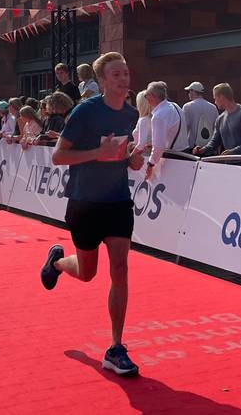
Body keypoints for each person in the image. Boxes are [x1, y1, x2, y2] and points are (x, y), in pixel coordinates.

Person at [40, 52, 144, 376]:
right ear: (102, 80)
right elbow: (58, 157)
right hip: (84, 202)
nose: (123, 79)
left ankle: (116, 347)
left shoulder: (131, 113)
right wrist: (96, 153)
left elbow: (123, 154)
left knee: (121, 268)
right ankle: (57, 261)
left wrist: (132, 160)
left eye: (126, 73)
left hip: (117, 201)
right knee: (87, 273)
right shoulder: (85, 111)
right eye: (116, 74)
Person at [194, 84, 241, 157]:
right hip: (229, 164)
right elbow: (215, 142)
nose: (215, 102)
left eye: (215, 98)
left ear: (221, 97)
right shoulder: (220, 119)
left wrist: (234, 152)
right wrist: (203, 150)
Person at [143, 81, 188, 182]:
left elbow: (158, 147)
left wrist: (150, 164)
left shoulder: (158, 115)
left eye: (146, 95)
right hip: (185, 155)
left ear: (153, 96)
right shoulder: (175, 106)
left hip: (172, 159)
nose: (145, 98)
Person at [181, 82, 219, 149]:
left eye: (189, 91)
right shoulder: (213, 107)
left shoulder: (187, 106)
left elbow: (184, 127)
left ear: (193, 92)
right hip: (210, 146)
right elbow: (216, 128)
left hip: (193, 147)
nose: (188, 94)